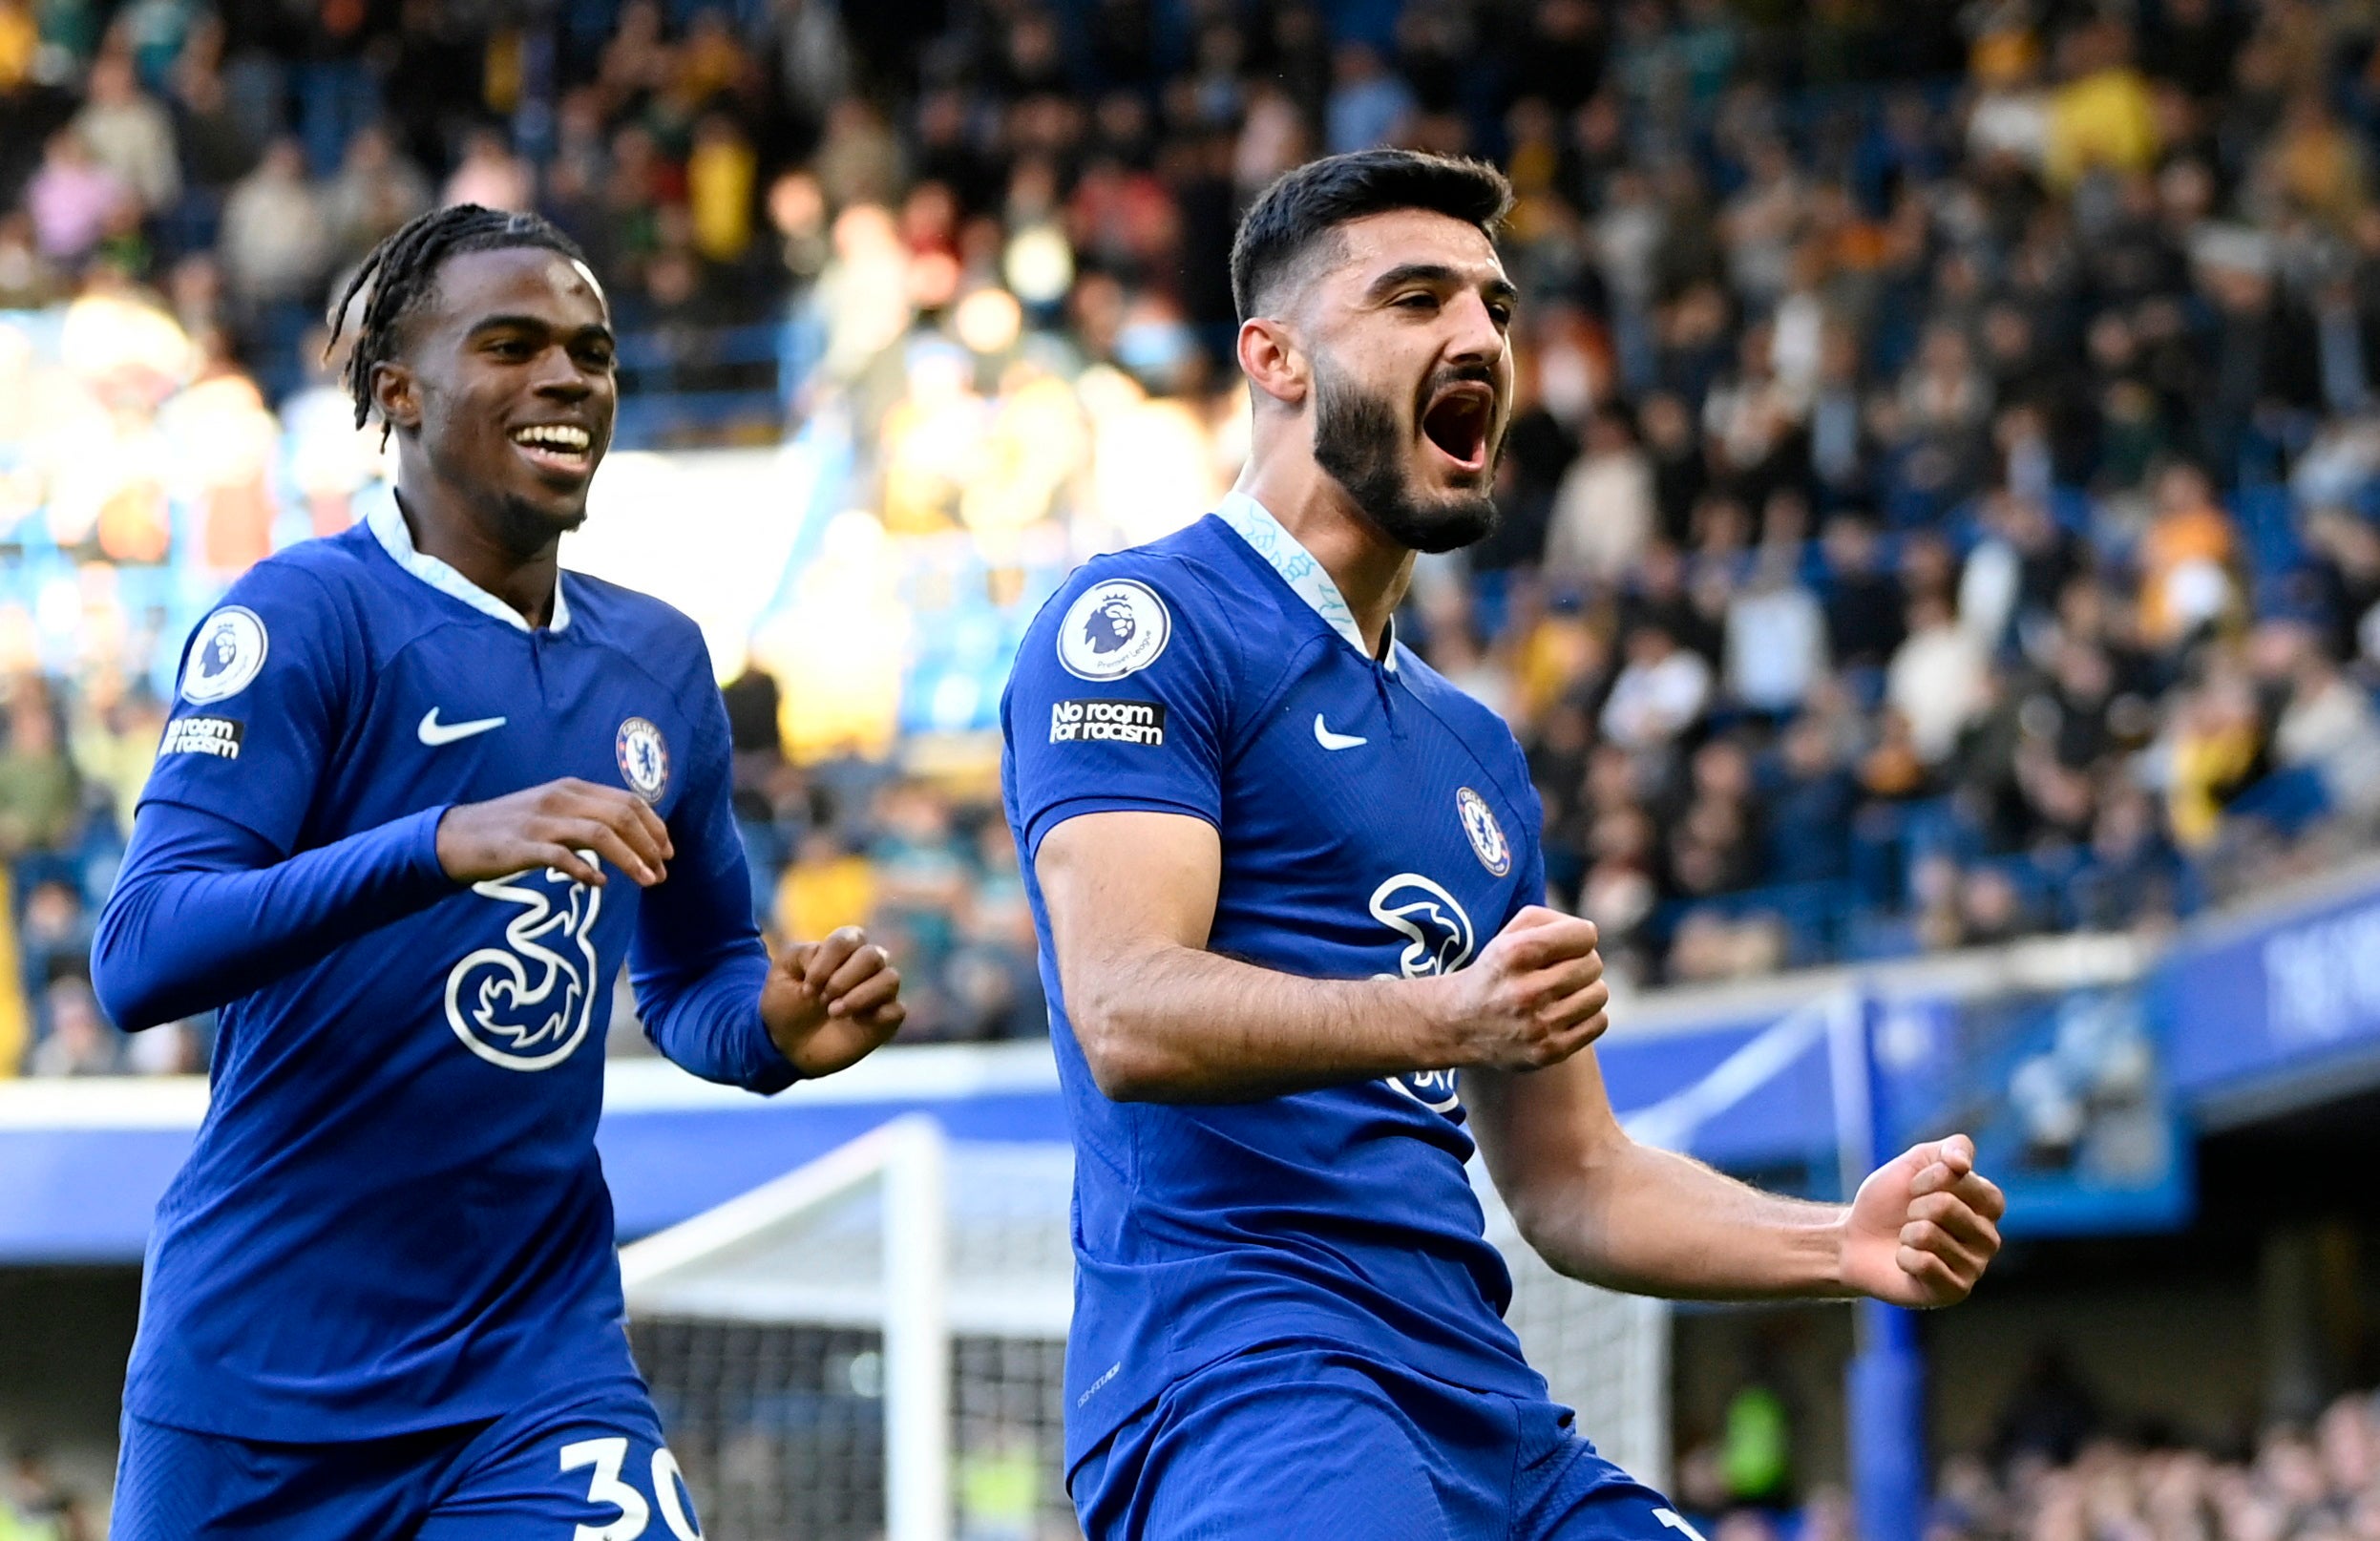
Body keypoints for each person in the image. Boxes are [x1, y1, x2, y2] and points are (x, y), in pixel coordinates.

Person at [999, 149, 2007, 1537]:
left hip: (1485, 1411)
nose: (1475, 335)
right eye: (1414, 300)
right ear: (1274, 357)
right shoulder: (1145, 626)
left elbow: (1572, 1177)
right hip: (1250, 1383)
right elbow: (1123, 1006)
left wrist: (1833, 1241)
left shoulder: (1471, 749)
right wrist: (1446, 1009)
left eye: (1493, 305)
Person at [96, 205, 908, 1538]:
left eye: (590, 351)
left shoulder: (657, 663)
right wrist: (435, 844)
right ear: (397, 390)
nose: (568, 379)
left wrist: (773, 1025)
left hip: (534, 1365)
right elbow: (142, 955)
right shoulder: (299, 619)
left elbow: (696, 966)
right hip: (259, 1375)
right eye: (513, 344)